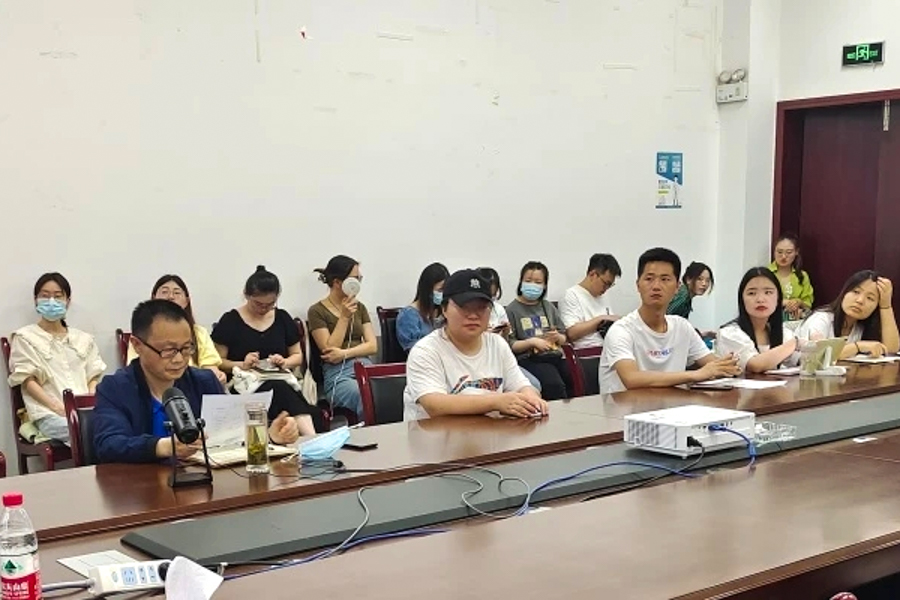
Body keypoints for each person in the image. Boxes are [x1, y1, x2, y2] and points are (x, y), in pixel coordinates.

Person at [94, 300, 301, 463]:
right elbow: (108, 444)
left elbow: (230, 436)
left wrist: (269, 436)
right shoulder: (115, 388)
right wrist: (163, 447)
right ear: (137, 345)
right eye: (168, 350)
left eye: (186, 348)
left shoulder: (204, 381)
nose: (179, 359)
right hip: (141, 491)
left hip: (201, 487)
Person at [404, 269, 548, 420]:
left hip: (491, 432)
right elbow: (435, 405)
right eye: (464, 307)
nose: (473, 315)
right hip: (436, 434)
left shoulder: (497, 344)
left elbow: (521, 385)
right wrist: (496, 402)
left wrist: (531, 398)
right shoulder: (426, 350)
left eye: (481, 308)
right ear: (444, 309)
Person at [598, 248, 741, 393]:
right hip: (624, 407)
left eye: (665, 279)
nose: (656, 286)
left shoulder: (682, 327)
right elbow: (632, 379)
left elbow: (713, 365)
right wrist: (696, 374)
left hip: (671, 405)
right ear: (638, 285)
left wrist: (729, 365)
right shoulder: (621, 330)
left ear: (677, 287)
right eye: (649, 279)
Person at [212, 266, 323, 435]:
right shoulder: (230, 321)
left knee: (284, 392)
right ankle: (311, 437)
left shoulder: (282, 318)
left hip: (279, 377)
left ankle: (307, 438)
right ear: (246, 295)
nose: (263, 309)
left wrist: (284, 362)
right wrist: (242, 364)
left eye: (270, 304)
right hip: (245, 386)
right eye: (258, 304)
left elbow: (297, 356)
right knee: (281, 391)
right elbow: (218, 362)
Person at [8, 273, 106, 445]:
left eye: (58, 296)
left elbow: (93, 376)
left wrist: (89, 401)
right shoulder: (25, 337)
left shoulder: (83, 339)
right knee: (85, 431)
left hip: (86, 410)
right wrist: (58, 408)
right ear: (35, 300)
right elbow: (27, 381)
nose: (51, 301)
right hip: (48, 414)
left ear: (68, 301)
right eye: (45, 296)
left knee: (116, 426)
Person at [308, 255, 378, 419]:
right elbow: (330, 350)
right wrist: (344, 317)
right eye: (354, 279)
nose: (358, 283)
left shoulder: (360, 308)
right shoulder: (317, 311)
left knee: (388, 392)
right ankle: (371, 431)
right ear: (338, 282)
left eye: (360, 278)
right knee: (364, 394)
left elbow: (373, 346)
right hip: (338, 375)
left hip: (365, 367)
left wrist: (345, 353)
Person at [127, 275, 226, 385]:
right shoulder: (143, 335)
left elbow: (210, 365)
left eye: (177, 293)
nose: (170, 297)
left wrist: (215, 376)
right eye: (164, 292)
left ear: (186, 301)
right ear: (154, 297)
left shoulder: (199, 332)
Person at [505, 261, 575, 400]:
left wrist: (557, 337)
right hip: (528, 359)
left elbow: (564, 336)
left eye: (538, 282)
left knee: (575, 377)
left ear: (544, 285)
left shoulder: (548, 307)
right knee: (553, 384)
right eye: (528, 281)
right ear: (521, 282)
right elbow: (510, 345)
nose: (532, 285)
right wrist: (531, 342)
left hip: (553, 355)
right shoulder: (511, 310)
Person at [796, 270, 898, 359]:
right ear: (844, 292)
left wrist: (886, 306)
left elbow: (891, 350)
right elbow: (820, 356)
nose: (860, 300)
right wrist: (857, 346)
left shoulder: (859, 327)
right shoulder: (821, 318)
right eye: (856, 292)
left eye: (870, 298)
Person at [716, 268, 799, 374]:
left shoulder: (784, 333)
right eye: (752, 293)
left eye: (768, 292)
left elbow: (803, 360)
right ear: (742, 300)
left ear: (778, 298)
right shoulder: (729, 333)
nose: (760, 299)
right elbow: (755, 365)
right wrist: (796, 343)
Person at [476, 266, 542, 392]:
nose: (490, 301)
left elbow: (507, 345)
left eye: (493, 295)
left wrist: (505, 333)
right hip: (481, 362)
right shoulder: (471, 312)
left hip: (500, 360)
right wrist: (483, 334)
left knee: (534, 386)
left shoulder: (499, 309)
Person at [559, 253, 621, 350]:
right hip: (587, 352)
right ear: (592, 274)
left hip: (609, 348)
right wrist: (601, 319)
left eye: (610, 285)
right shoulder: (571, 295)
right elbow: (571, 333)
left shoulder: (603, 296)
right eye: (606, 283)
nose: (606, 289)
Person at [396, 262, 450, 353]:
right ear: (427, 290)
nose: (443, 294)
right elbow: (414, 351)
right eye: (440, 290)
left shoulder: (445, 312)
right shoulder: (409, 316)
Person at [769, 234, 814, 322]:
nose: (783, 256)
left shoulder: (802, 275)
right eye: (779, 252)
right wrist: (784, 302)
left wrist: (798, 303)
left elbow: (808, 303)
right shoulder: (766, 273)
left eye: (789, 252)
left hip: (796, 320)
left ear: (796, 252)